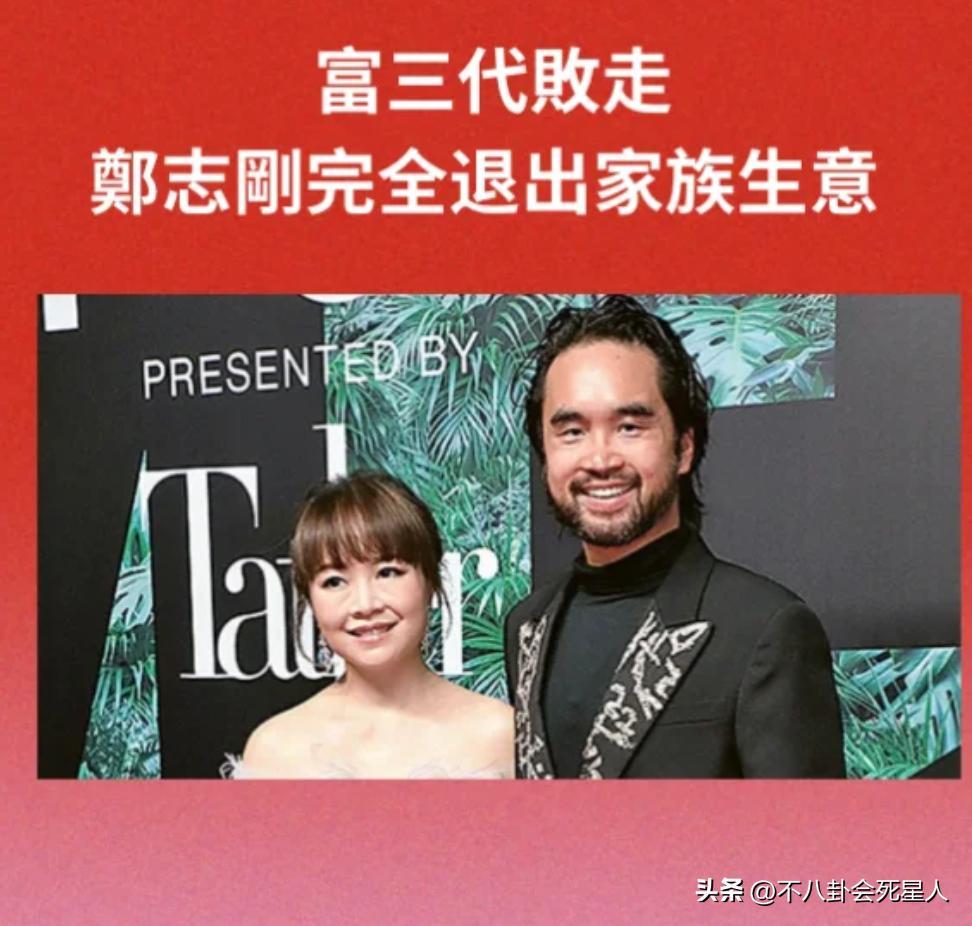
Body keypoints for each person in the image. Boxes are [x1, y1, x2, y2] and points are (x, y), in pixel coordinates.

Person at [504, 296, 845, 779]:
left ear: (684, 448)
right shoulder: (526, 626)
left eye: (629, 427)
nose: (600, 459)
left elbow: (806, 827)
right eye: (572, 431)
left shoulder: (766, 630)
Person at [236, 471, 513, 778]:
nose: (365, 605)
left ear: (431, 580)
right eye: (334, 581)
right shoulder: (274, 750)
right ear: (310, 599)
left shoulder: (500, 735)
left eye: (388, 572)